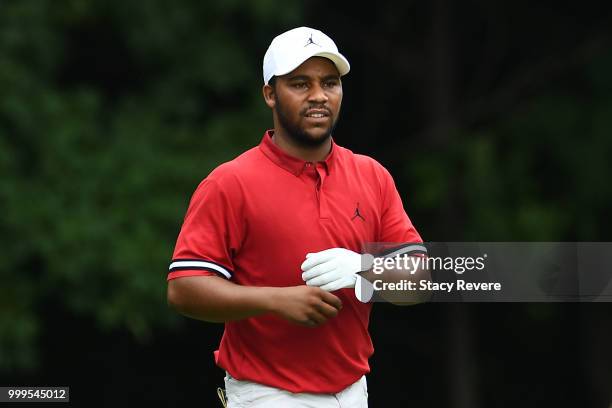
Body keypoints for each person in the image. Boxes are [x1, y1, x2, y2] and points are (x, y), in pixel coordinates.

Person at [167, 26, 424, 408]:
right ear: (270, 93)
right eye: (300, 84)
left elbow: (419, 279)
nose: (319, 95)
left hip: (353, 393)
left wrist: (366, 267)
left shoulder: (372, 175)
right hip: (267, 394)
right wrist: (276, 301)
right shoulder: (230, 182)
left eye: (330, 83)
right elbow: (184, 289)